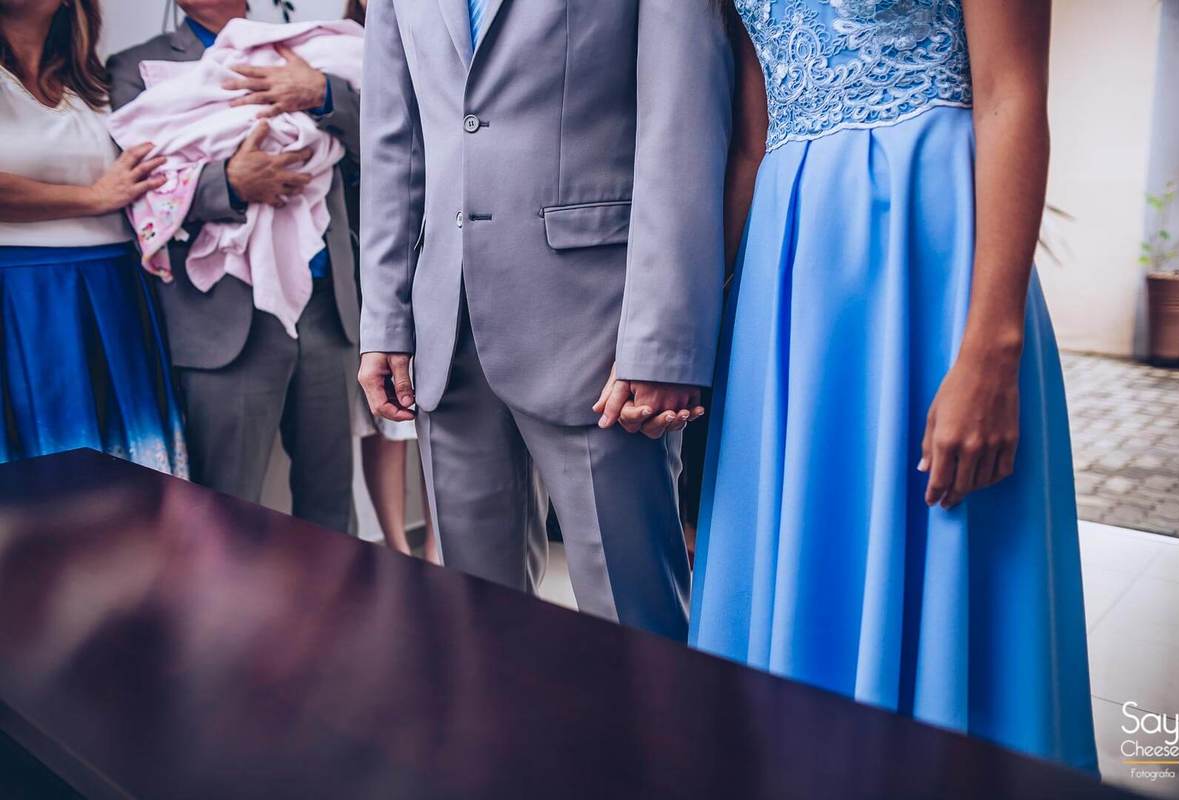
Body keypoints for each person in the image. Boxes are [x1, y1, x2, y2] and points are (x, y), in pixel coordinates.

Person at [690, 0, 1098, 772]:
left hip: (932, 263)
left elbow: (1012, 94)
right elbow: (751, 141)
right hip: (790, 285)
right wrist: (692, 326)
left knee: (950, 559)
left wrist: (991, 351)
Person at [358, 0, 732, 640]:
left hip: (599, 334)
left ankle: (662, 742)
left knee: (634, 622)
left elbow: (682, 130)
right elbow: (394, 143)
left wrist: (662, 342)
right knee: (476, 623)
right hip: (443, 330)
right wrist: (385, 320)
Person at [105, 0, 362, 533]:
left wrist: (322, 94)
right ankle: (224, 619)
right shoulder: (137, 66)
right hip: (222, 320)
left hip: (325, 306)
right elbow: (132, 186)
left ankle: (340, 613)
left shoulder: (308, 49)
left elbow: (386, 143)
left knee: (332, 502)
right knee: (224, 510)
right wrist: (228, 183)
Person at [0, 0, 187, 477]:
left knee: (128, 470)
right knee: (42, 475)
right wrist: (94, 198)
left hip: (115, 289)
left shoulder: (98, 85)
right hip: (22, 295)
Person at [341, 0, 434, 559]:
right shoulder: (340, 40)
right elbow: (379, 146)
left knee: (433, 411)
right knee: (388, 414)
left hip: (442, 236)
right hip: (372, 246)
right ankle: (395, 546)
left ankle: (437, 548)